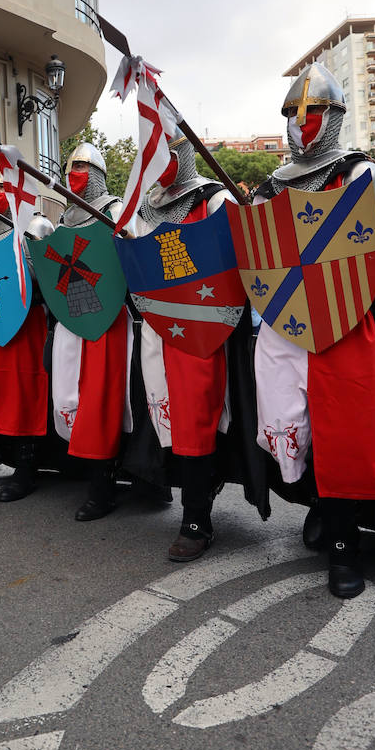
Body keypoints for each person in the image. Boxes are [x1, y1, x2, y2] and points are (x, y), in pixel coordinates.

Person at [252, 61, 375, 599]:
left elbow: (365, 265)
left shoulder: (363, 175)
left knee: (344, 435)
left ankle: (345, 542)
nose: (302, 122)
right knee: (290, 426)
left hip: (346, 323)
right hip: (285, 322)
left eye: (313, 112)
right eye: (294, 113)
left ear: (333, 116)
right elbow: (261, 258)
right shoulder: (270, 186)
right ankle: (319, 511)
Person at [136, 130, 242, 561]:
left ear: (182, 154)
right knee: (168, 418)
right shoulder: (144, 208)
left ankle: (195, 520)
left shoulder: (214, 200)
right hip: (156, 327)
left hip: (203, 330)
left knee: (198, 419)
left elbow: (238, 261)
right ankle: (192, 494)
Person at [49, 142, 133, 520]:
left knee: (104, 399)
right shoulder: (64, 218)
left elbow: (129, 259)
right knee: (70, 394)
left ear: (97, 173)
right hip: (73, 318)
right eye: (70, 167)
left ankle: (105, 485)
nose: (73, 173)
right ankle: (83, 471)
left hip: (108, 318)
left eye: (82, 166)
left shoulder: (114, 211)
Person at [0, 175, 54, 503]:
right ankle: (10, 458)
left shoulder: (36, 225)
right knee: (0, 391)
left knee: (26, 391)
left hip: (27, 322)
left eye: (4, 187)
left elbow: (43, 276)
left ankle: (28, 467)